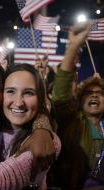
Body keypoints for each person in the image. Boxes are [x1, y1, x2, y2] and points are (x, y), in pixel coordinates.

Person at [48, 22, 104, 189]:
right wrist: (73, 46)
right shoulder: (70, 120)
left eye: (100, 93)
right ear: (79, 100)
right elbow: (60, 97)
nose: (94, 95)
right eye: (89, 93)